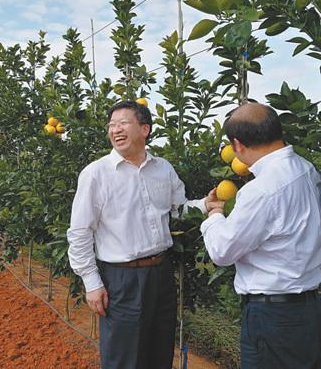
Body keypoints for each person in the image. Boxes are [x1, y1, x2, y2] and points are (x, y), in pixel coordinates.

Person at [67, 100, 217, 369]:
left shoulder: (163, 169)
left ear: (144, 129)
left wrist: (205, 205)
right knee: (125, 359)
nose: (115, 130)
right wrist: (91, 281)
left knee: (159, 353)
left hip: (161, 273)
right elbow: (80, 232)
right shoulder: (96, 174)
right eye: (112, 125)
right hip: (122, 279)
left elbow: (178, 211)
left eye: (123, 123)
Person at [201, 102, 321, 369]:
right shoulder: (306, 169)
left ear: (237, 145)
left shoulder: (261, 190)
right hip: (308, 308)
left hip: (273, 317)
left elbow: (222, 251)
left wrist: (214, 216)